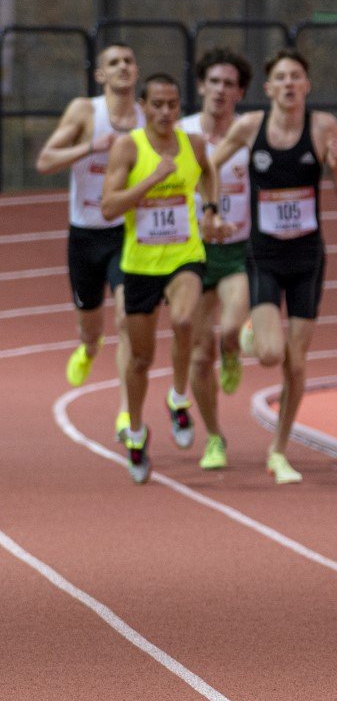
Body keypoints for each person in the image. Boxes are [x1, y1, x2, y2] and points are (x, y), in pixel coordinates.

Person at [206, 48, 337, 484]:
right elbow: (208, 164)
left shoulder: (323, 125)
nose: (289, 84)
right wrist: (212, 208)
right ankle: (252, 331)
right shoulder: (251, 127)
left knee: (297, 361)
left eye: (296, 77)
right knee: (272, 355)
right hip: (265, 255)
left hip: (307, 257)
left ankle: (279, 449)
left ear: (306, 86)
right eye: (281, 78)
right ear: (269, 88)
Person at [99, 73, 222, 483]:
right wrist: (151, 180)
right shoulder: (128, 148)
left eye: (172, 104)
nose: (166, 112)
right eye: (157, 105)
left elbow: (207, 171)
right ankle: (136, 433)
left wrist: (210, 207)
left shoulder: (194, 144)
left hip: (185, 254)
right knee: (140, 357)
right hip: (139, 264)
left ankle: (178, 397)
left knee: (186, 321)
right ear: (144, 107)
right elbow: (109, 208)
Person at [35, 42, 145, 433]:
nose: (122, 68)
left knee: (127, 319)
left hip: (126, 233)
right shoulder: (86, 111)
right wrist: (90, 147)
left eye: (129, 62)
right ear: (100, 75)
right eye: (113, 63)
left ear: (136, 71)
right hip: (85, 235)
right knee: (92, 325)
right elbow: (45, 161)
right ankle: (88, 347)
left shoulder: (148, 117)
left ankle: (125, 410)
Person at [180, 48, 254, 470]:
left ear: (240, 92)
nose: (221, 91)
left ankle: (233, 347)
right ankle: (214, 437)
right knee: (197, 352)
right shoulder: (181, 132)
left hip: (237, 250)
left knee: (228, 328)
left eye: (230, 84)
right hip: (190, 252)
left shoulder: (248, 135)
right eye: (214, 82)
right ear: (202, 86)